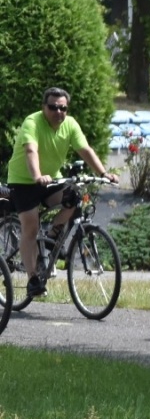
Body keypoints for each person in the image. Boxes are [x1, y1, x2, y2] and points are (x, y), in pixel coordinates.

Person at [5, 87, 119, 300]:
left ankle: (51, 237)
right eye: (53, 107)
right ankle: (32, 279)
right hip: (24, 181)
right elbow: (31, 150)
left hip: (51, 179)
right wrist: (37, 176)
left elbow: (85, 150)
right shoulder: (33, 122)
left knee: (73, 199)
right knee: (31, 227)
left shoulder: (70, 124)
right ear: (44, 107)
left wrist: (104, 173)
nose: (59, 112)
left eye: (63, 108)